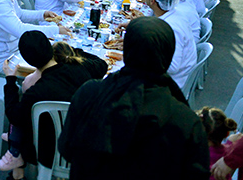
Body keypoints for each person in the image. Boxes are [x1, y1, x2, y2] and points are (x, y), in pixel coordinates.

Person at [58, 16, 210, 179]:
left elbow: (66, 148)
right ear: (168, 54)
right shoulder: (185, 120)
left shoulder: (89, 93)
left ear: (127, 50)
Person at [0, 32, 107, 172]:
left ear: (29, 62)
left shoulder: (37, 91)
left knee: (23, 109)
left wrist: (10, 80)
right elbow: (102, 65)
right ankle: (15, 153)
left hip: (49, 151)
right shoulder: (80, 67)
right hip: (88, 144)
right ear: (50, 49)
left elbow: (13, 115)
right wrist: (71, 51)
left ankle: (16, 156)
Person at [136, 0, 197, 88]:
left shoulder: (172, 27)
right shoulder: (175, 13)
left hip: (172, 83)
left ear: (152, 1)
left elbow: (172, 67)